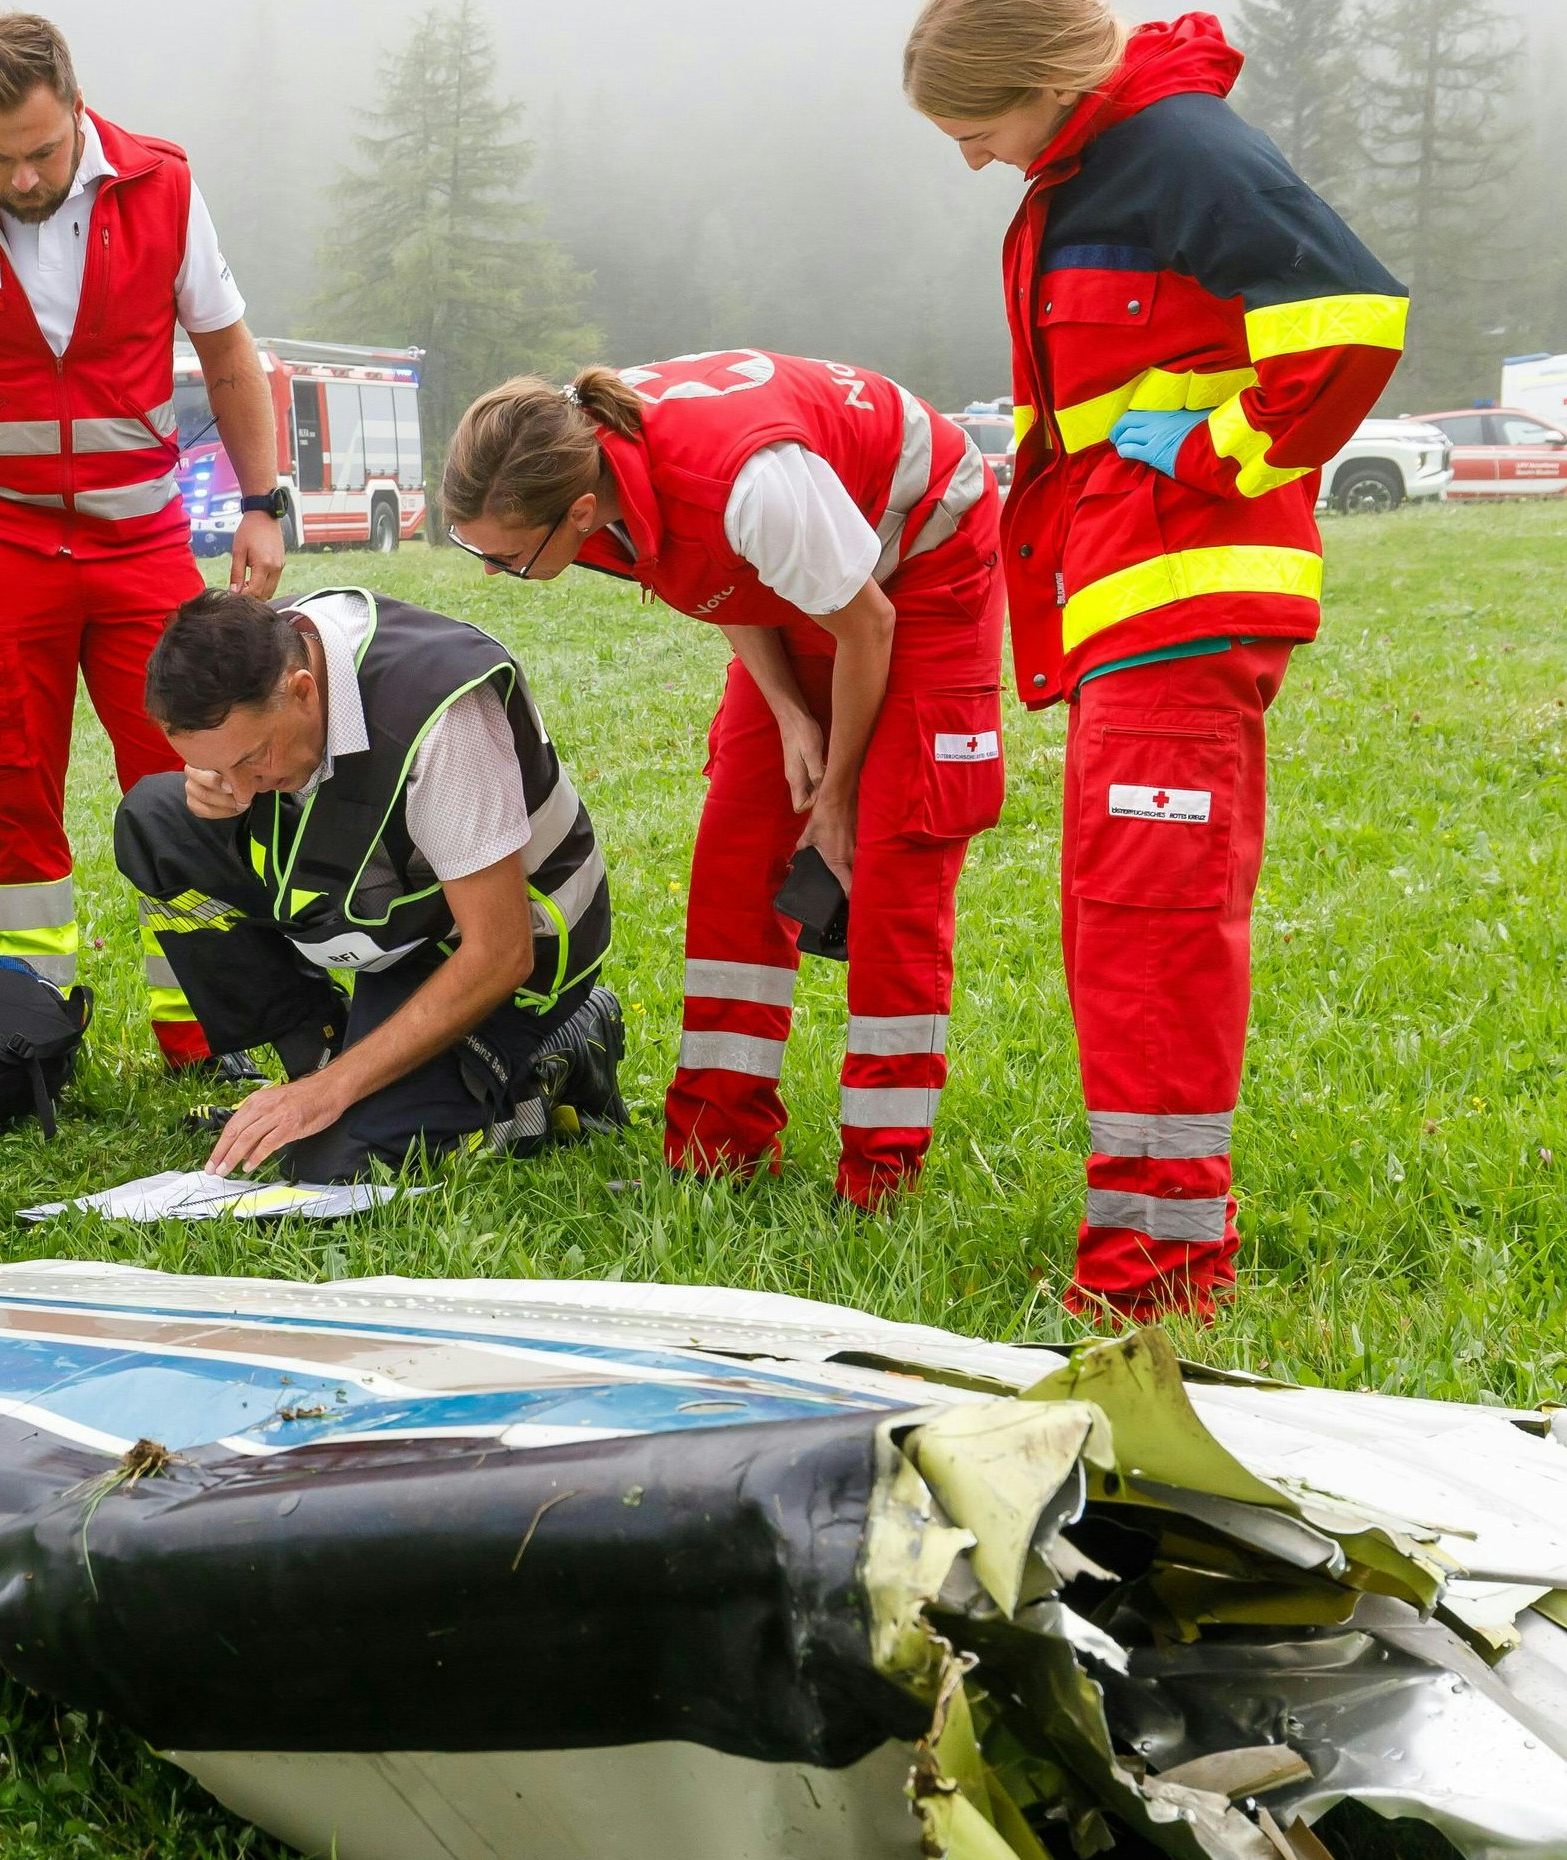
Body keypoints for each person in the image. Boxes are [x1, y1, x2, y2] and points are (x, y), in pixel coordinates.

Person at [905, 1, 1407, 1319]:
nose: (971, 157)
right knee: (1114, 921)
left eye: (974, 129)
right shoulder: (1096, 165)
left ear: (1044, 81)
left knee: (1151, 935)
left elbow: (1353, 318)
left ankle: (1158, 1281)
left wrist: (1217, 452)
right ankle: (1148, 1250)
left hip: (1186, 602)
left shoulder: (1177, 146)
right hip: (1131, 608)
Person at [442, 352, 1005, 1209]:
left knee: (888, 863)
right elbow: (715, 578)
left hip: (919, 563)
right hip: (811, 571)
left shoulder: (747, 488)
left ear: (580, 513)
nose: (496, 572)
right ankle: (717, 1149)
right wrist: (787, 710)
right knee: (737, 853)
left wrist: (838, 798)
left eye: (511, 557)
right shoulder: (584, 459)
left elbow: (867, 624)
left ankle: (879, 1181)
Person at [0, 13, 286, 1069]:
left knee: (193, 777)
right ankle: (27, 1031)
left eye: (41, 152)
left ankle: (205, 1027)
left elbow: (229, 352)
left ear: (78, 110)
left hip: (140, 544)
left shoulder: (163, 184)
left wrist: (262, 501)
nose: (23, 177)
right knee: (10, 787)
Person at [117, 588, 625, 1181]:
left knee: (341, 1162)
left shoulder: (440, 716)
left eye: (252, 759)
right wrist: (208, 778)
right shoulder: (264, 650)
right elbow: (238, 772)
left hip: (503, 951)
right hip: (395, 919)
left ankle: (562, 1048)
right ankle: (316, 1051)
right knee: (157, 818)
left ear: (303, 690)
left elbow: (500, 953)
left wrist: (332, 1092)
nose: (242, 789)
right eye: (217, 765)